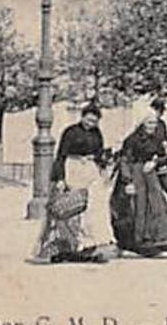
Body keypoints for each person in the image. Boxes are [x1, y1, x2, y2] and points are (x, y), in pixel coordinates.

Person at [33, 102, 114, 263]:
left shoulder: (97, 133)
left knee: (93, 207)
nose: (90, 124)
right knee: (73, 205)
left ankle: (90, 244)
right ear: (82, 117)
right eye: (88, 120)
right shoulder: (70, 132)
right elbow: (61, 155)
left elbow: (99, 153)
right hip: (73, 167)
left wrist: (104, 163)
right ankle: (70, 245)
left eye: (94, 121)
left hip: (91, 169)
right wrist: (60, 178)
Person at [110, 113, 167, 256]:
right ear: (142, 124)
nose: (152, 126)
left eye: (154, 123)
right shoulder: (132, 140)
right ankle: (136, 245)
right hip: (135, 174)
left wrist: (154, 162)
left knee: (157, 207)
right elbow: (125, 160)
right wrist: (127, 181)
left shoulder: (156, 139)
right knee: (137, 208)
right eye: (149, 123)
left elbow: (162, 156)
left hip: (150, 176)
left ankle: (157, 244)